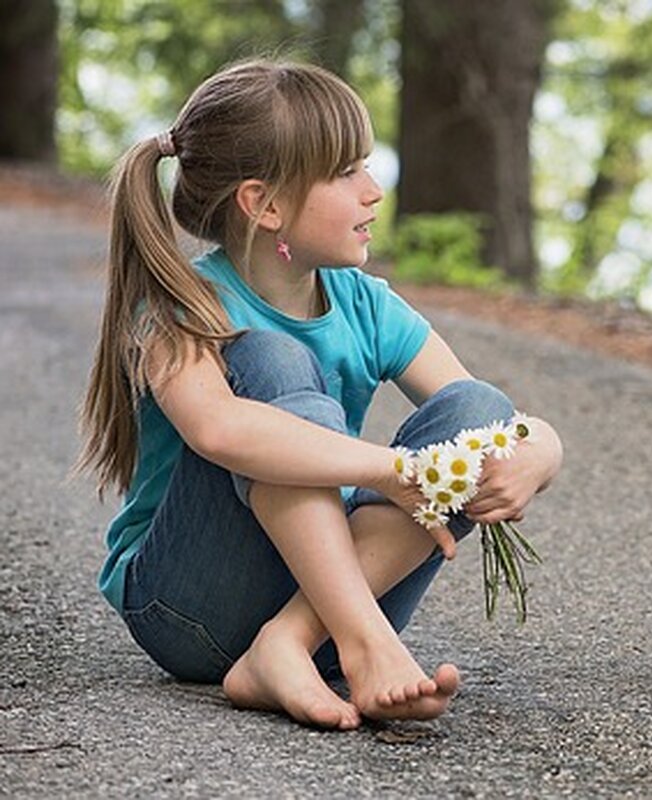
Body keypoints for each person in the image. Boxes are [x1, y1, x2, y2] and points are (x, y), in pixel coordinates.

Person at [77, 60, 563, 730]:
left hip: (329, 606)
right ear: (265, 204)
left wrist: (541, 451)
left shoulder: (365, 305)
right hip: (191, 610)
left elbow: (486, 415)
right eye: (346, 173)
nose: (374, 192)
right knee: (271, 358)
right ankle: (362, 642)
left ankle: (291, 643)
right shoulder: (181, 308)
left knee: (478, 411)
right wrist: (391, 469)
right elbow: (218, 431)